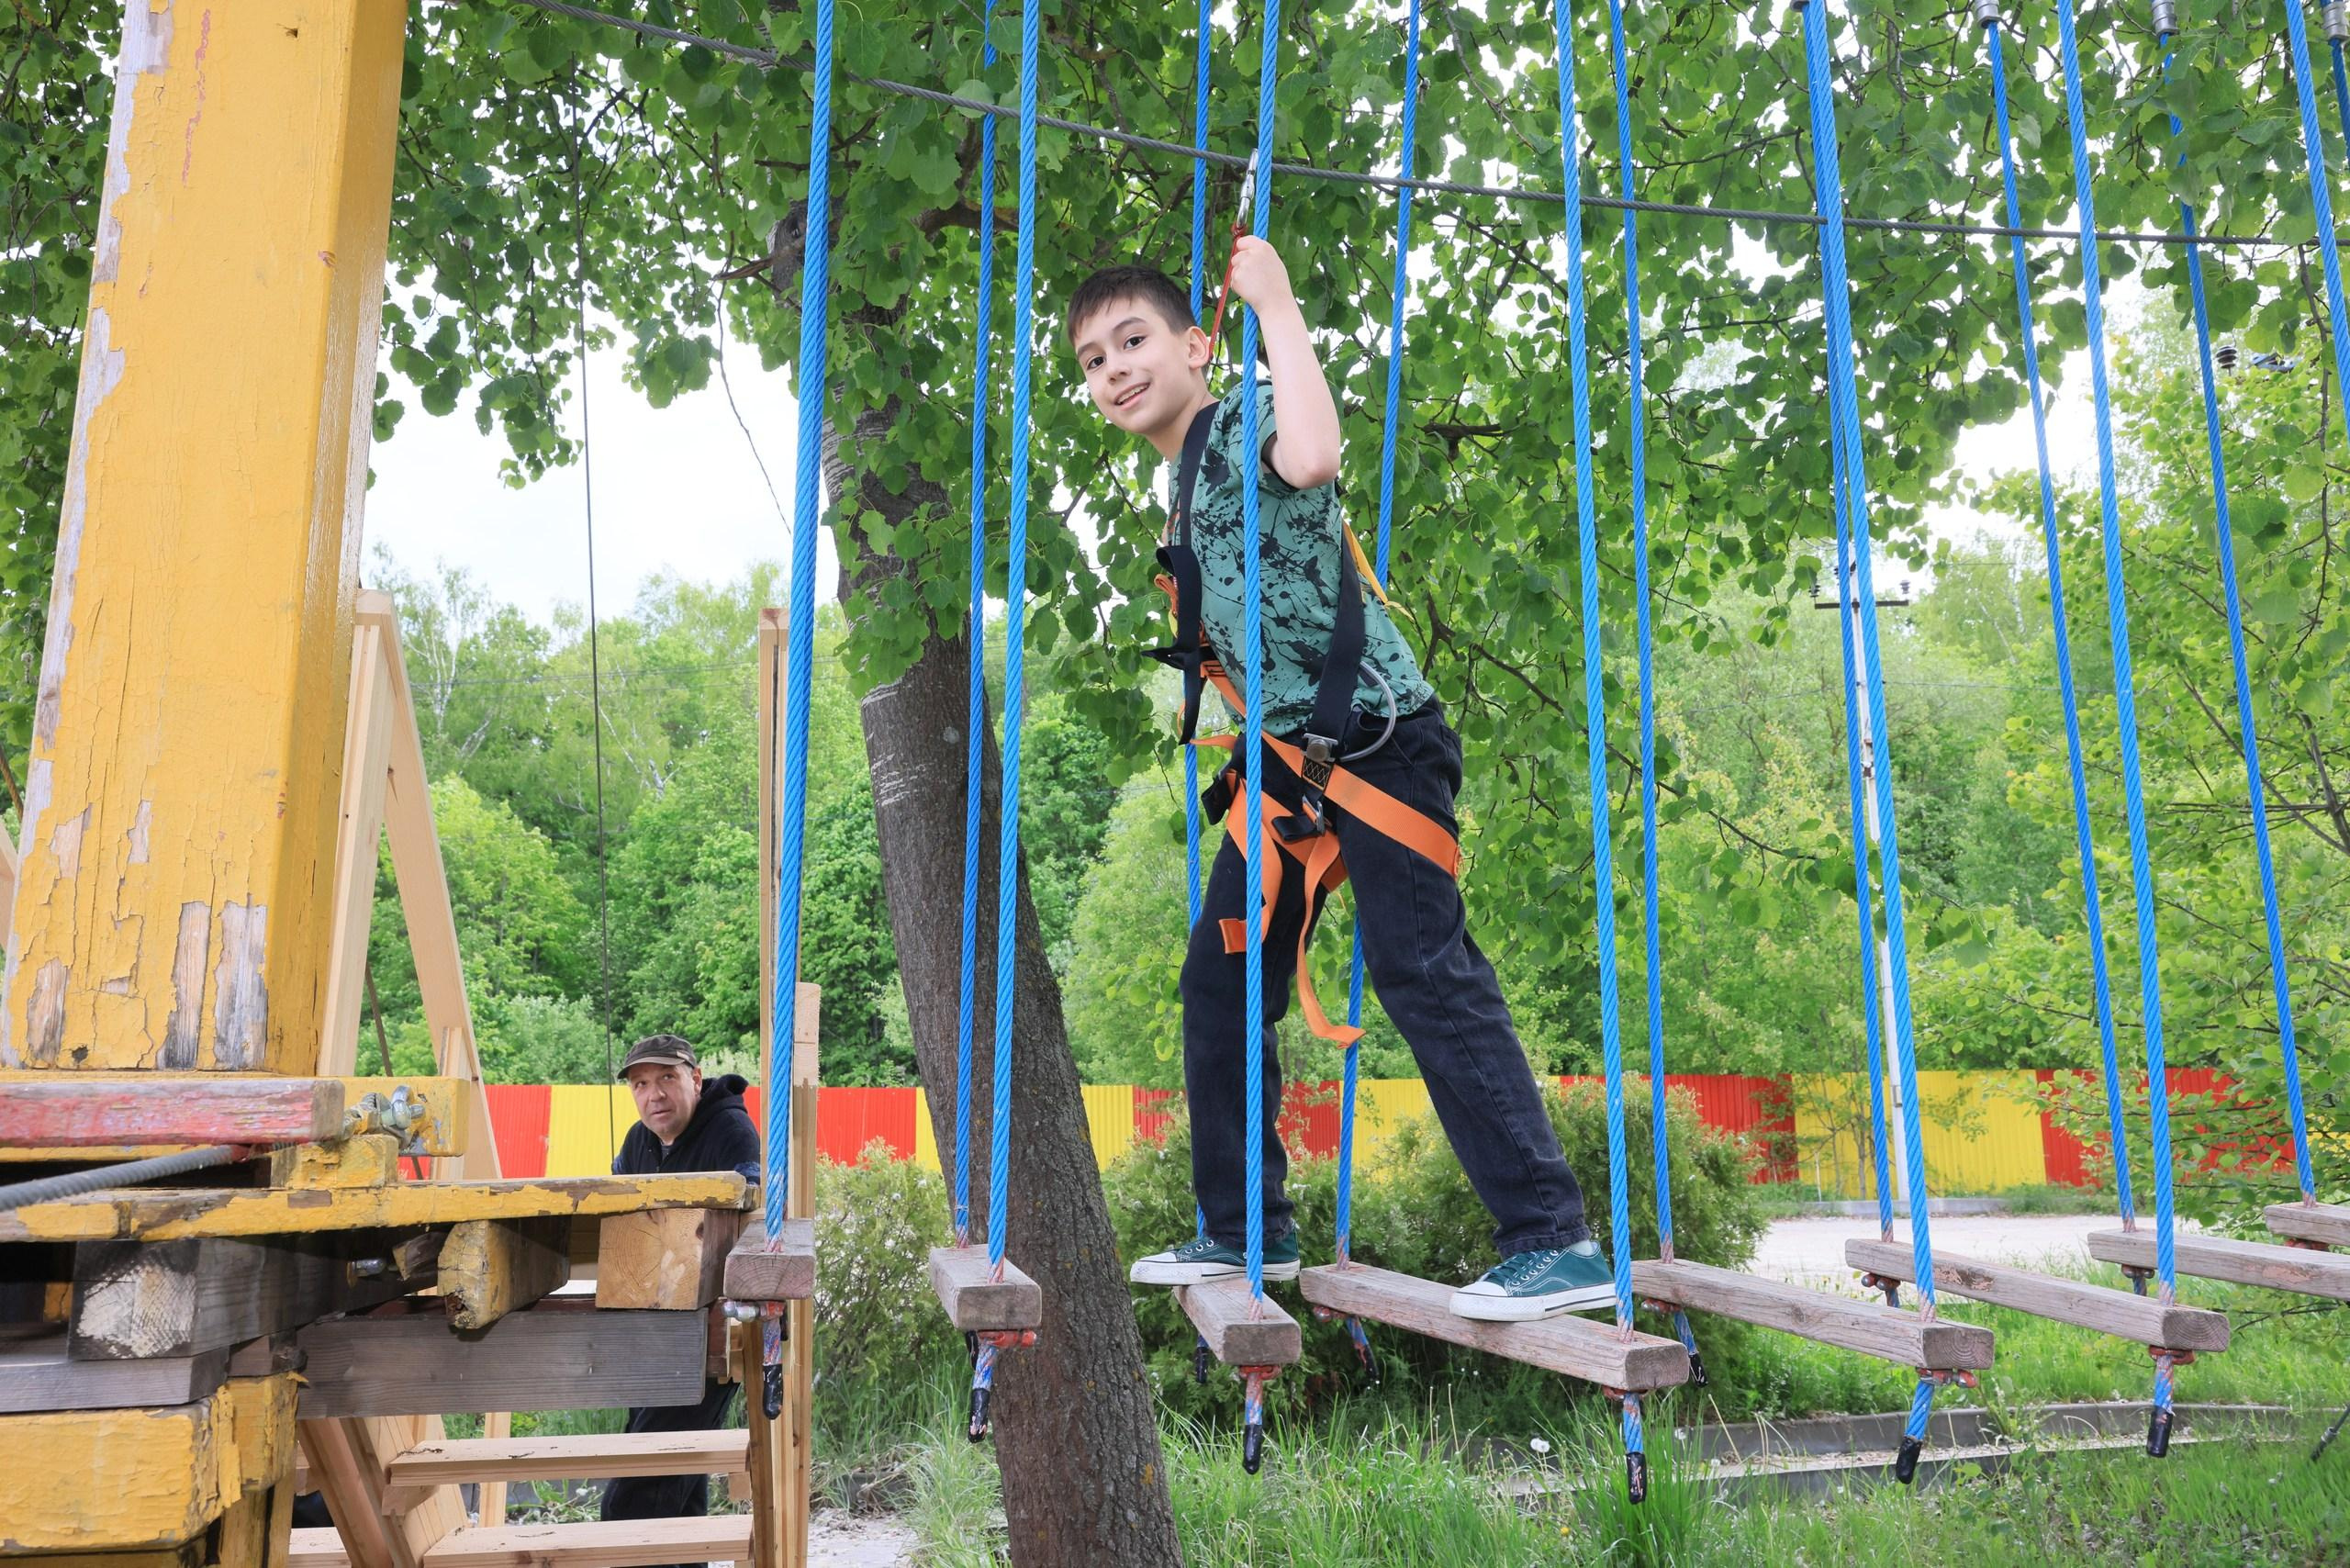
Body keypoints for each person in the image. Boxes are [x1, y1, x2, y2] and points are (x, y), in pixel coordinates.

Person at [1067, 252, 1615, 1321]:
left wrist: (1276, 301)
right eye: (1093, 361)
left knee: (1421, 968)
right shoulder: (1179, 475)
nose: (1114, 370)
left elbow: (1315, 457)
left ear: (1196, 345)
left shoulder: (1249, 414)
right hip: (1289, 763)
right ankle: (1246, 1230)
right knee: (1220, 978)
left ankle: (1553, 1236)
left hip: (1380, 745)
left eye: (1133, 342)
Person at [602, 1034, 761, 1553]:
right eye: (641, 1084)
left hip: (705, 1341)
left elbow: (752, 1215)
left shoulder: (730, 1131)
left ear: (695, 1078)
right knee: (681, 1488)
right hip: (650, 1337)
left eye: (667, 1078)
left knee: (633, 1501)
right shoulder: (636, 1142)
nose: (655, 1095)